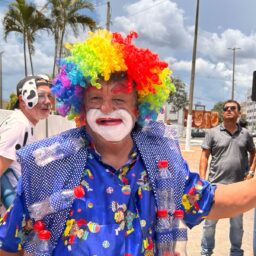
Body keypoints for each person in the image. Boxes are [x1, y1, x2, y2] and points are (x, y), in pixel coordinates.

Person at [1, 30, 256, 256]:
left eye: (120, 99)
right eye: (95, 98)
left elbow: (210, 201)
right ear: (80, 105)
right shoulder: (48, 165)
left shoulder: (161, 160)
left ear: (138, 108)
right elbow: (9, 244)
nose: (107, 108)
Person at [199, 100, 256, 256]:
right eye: (226, 108)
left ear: (238, 113)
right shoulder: (212, 133)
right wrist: (202, 181)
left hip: (238, 188)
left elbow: (254, 152)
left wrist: (250, 172)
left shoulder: (246, 134)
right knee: (209, 224)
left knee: (237, 225)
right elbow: (204, 156)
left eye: (233, 108)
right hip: (215, 187)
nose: (229, 110)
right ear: (223, 112)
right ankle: (206, 252)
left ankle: (236, 253)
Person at [0, 75, 52, 209]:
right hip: (13, 208)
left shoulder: (25, 124)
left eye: (49, 96)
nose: (47, 101)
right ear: (22, 100)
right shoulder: (19, 125)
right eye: (40, 96)